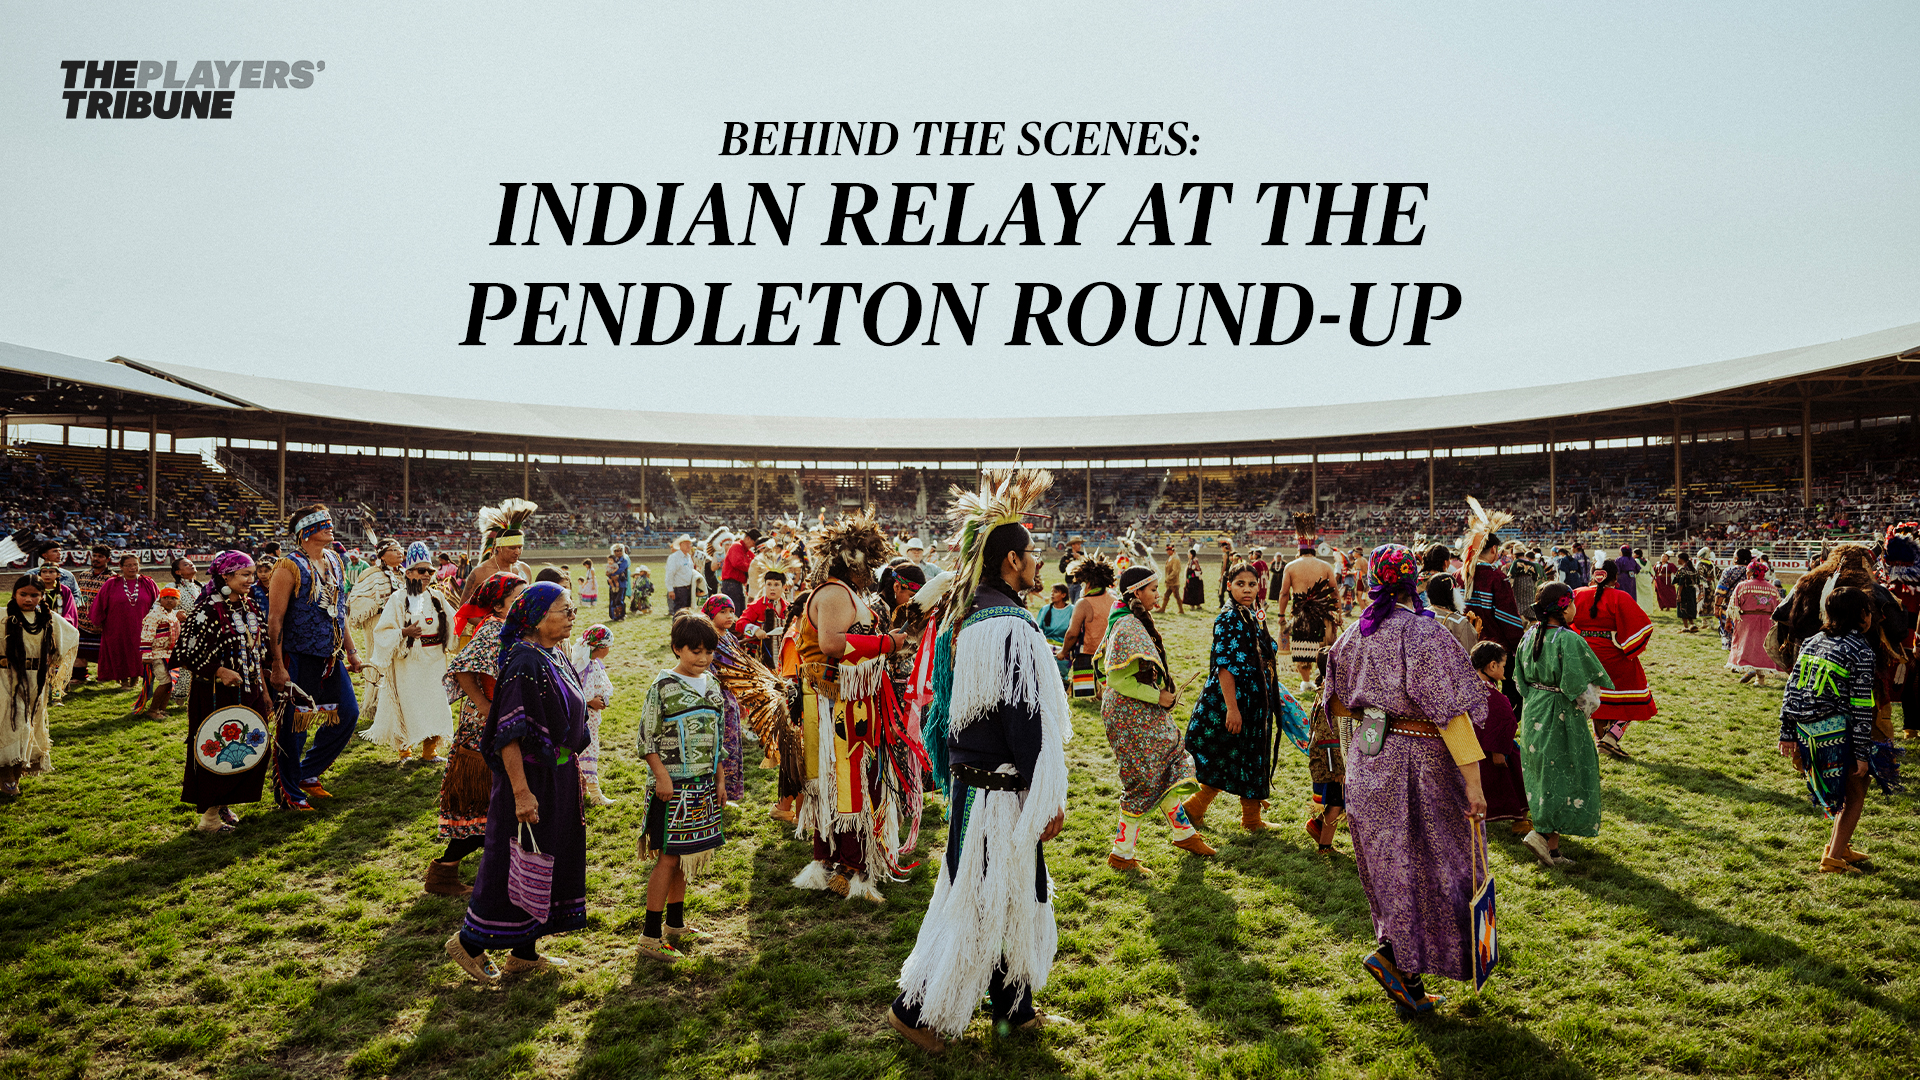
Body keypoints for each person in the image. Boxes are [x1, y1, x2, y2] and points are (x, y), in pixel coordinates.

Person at [891, 467, 1072, 1051]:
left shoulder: (969, 619)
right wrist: (1044, 797)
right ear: (1011, 561)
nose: (1039, 564)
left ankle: (1014, 1008)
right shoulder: (1013, 629)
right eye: (1032, 554)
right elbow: (1027, 725)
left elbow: (949, 717)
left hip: (977, 786)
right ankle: (912, 1012)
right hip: (999, 791)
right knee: (974, 902)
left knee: (1008, 895)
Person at [1324, 544, 1490, 1016]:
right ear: (1413, 581)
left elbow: (1334, 703)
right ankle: (1397, 957)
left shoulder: (1354, 633)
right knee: (1438, 865)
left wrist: (1375, 712)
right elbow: (1452, 716)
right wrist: (1475, 786)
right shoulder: (1425, 634)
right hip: (1421, 763)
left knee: (1392, 868)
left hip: (1369, 760)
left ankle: (1405, 973)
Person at [445, 581, 589, 983]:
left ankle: (524, 953)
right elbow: (508, 733)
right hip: (528, 779)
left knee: (545, 857)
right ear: (538, 617)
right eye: (565, 609)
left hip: (557, 774)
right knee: (516, 861)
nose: (572, 615)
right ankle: (470, 943)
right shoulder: (525, 662)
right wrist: (522, 793)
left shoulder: (552, 652)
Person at [790, 511, 921, 903]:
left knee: (845, 782)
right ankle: (846, 864)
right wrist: (890, 643)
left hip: (848, 699)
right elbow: (832, 644)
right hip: (836, 703)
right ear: (851, 561)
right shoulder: (832, 594)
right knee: (846, 782)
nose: (873, 570)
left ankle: (837, 862)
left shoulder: (843, 593)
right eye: (868, 560)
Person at [1101, 566, 1212, 873]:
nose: (1157, 594)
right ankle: (1121, 853)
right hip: (1129, 712)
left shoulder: (1128, 619)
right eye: (1152, 589)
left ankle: (1183, 833)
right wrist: (1158, 697)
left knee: (1165, 768)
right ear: (1137, 592)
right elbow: (1116, 679)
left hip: (1139, 711)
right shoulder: (1127, 625)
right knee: (1144, 779)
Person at [635, 612, 729, 963]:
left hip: (703, 787)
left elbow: (718, 738)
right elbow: (646, 738)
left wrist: (720, 779)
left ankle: (674, 924)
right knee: (668, 857)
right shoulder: (662, 687)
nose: (702, 659)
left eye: (708, 652)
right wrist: (662, 776)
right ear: (677, 649)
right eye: (694, 651)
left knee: (683, 858)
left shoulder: (713, 685)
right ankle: (649, 935)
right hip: (672, 788)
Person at [1186, 562, 1304, 835]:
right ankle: (1194, 808)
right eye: (1240, 584)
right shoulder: (1228, 617)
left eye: (1252, 584)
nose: (1247, 589)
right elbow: (1224, 666)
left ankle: (1250, 818)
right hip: (1231, 700)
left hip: (1254, 700)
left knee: (1252, 755)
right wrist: (1232, 709)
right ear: (1229, 586)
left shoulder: (1252, 613)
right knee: (1224, 755)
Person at [428, 572, 527, 897]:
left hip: (505, 724)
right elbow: (464, 668)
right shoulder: (492, 629)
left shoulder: (515, 629)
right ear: (499, 604)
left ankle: (457, 872)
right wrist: (486, 707)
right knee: (488, 806)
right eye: (517, 597)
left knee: (496, 807)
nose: (522, 603)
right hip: (484, 731)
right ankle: (445, 872)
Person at [266, 505, 363, 808]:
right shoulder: (288, 567)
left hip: (330, 657)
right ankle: (288, 791)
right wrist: (279, 666)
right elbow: (275, 620)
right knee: (295, 726)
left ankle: (307, 774)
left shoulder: (334, 560)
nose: (331, 527)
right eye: (324, 524)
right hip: (298, 657)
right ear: (306, 531)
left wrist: (351, 650)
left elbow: (340, 611)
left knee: (347, 714)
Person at [1778, 587, 1880, 874]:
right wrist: (1861, 753)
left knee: (1846, 794)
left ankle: (1841, 845)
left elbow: (1792, 688)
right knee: (1856, 791)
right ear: (1861, 615)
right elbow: (1862, 707)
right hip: (1834, 733)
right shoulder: (1861, 650)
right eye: (1868, 611)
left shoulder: (1813, 640)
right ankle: (1833, 859)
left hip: (1806, 731)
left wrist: (1786, 731)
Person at [1512, 584, 1610, 867]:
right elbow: (1583, 691)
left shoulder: (1529, 636)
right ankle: (1541, 836)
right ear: (1564, 607)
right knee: (1565, 773)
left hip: (1534, 712)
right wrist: (1588, 708)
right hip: (1561, 713)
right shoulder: (1569, 640)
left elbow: (1520, 681)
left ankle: (1551, 849)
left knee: (1543, 775)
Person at [173, 552, 272, 832]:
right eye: (245, 575)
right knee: (215, 748)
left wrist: (263, 689)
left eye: (252, 574)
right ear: (225, 577)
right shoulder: (207, 610)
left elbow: (257, 651)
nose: (251, 580)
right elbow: (185, 651)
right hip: (214, 695)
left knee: (251, 748)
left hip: (249, 690)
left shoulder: (249, 606)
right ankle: (210, 819)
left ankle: (223, 802)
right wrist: (219, 670)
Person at [361, 543, 455, 764]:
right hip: (408, 661)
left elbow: (455, 623)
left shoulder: (437, 597)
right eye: (421, 571)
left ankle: (429, 752)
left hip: (435, 661)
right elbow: (382, 631)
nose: (426, 575)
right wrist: (404, 631)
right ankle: (405, 752)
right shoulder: (398, 599)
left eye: (430, 571)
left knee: (435, 704)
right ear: (409, 572)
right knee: (407, 704)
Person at [0, 574, 77, 799]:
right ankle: (7, 778)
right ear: (14, 594)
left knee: (28, 723)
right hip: (5, 677)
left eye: (35, 595)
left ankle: (16, 770)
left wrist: (54, 658)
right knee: (12, 722)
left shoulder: (47, 618)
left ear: (42, 596)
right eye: (23, 594)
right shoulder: (3, 616)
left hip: (35, 679)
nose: (28, 599)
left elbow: (71, 635)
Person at [1570, 559, 1656, 759]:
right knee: (1637, 691)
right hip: (1611, 654)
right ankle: (1610, 738)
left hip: (1581, 653)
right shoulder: (1620, 596)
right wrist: (1626, 646)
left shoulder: (1576, 594)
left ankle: (1602, 740)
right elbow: (1641, 626)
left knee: (1592, 696)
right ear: (1615, 577)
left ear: (1593, 574)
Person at [1468, 641, 1530, 835]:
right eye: (1503, 665)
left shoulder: (1466, 690)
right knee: (1516, 782)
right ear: (1492, 666)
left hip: (1471, 753)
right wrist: (1500, 752)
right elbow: (1504, 722)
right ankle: (1520, 820)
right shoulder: (1494, 697)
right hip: (1496, 752)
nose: (1505, 670)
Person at [1277, 515, 1340, 693]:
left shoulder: (1290, 566)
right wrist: (1339, 613)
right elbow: (1334, 592)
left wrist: (1281, 616)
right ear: (1314, 550)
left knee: (1303, 648)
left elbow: (1283, 593)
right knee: (1324, 646)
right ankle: (1322, 681)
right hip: (1323, 612)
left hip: (1300, 613)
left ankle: (1306, 683)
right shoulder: (1325, 566)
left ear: (1299, 549)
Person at [702, 595, 748, 805]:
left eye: (732, 611)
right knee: (717, 748)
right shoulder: (707, 639)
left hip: (731, 702)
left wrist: (740, 699)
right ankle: (714, 793)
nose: (730, 616)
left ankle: (727, 794)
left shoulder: (731, 637)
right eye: (723, 612)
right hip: (714, 702)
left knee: (732, 748)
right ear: (711, 614)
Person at [94, 553, 158, 687]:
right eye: (128, 565)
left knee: (138, 651)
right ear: (121, 567)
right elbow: (99, 603)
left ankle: (135, 679)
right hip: (116, 626)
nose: (132, 568)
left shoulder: (148, 583)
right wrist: (97, 621)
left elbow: (158, 603)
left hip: (142, 625)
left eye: (135, 564)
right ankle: (123, 680)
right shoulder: (112, 583)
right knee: (119, 651)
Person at [1058, 553, 1115, 700]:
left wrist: (1063, 651)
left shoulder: (1083, 603)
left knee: (1086, 694)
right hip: (1110, 652)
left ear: (1088, 583)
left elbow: (1072, 633)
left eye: (1083, 583)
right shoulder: (1114, 600)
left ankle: (1092, 692)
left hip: (1089, 654)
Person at [460, 499, 536, 603]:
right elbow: (464, 611)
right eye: (512, 548)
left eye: (520, 547)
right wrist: (493, 620)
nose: (518, 552)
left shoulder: (525, 569)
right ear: (498, 547)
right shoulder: (480, 573)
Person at [573, 624, 616, 807]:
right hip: (584, 718)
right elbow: (575, 691)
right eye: (608, 646)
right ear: (599, 647)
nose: (609, 650)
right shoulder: (582, 667)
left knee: (589, 751)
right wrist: (590, 702)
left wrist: (604, 699)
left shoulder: (595, 664)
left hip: (593, 718)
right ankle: (595, 794)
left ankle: (581, 792)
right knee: (586, 752)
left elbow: (603, 685)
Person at [1728, 559, 1785, 685]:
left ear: (1751, 572)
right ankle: (1760, 679)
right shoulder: (1772, 588)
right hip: (1766, 621)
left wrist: (1729, 620)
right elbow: (1778, 607)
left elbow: (1733, 607)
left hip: (1746, 621)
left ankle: (1750, 668)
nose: (1746, 574)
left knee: (1747, 646)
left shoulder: (1742, 586)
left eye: (1748, 571)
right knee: (1762, 648)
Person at [135, 586, 182, 718]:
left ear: (178, 601)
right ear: (160, 599)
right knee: (165, 681)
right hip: (157, 654)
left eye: (173, 598)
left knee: (171, 682)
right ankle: (152, 710)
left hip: (169, 654)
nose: (169, 601)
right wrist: (146, 655)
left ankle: (161, 709)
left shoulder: (172, 614)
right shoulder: (154, 615)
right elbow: (146, 635)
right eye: (165, 598)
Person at [70, 545, 112, 684]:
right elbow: (81, 596)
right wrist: (77, 612)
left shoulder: (112, 578)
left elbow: (111, 602)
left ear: (107, 559)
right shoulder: (83, 575)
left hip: (102, 623)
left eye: (100, 556)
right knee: (80, 651)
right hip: (82, 622)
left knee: (104, 653)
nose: (96, 559)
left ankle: (105, 676)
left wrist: (101, 621)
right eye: (94, 556)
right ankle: (79, 676)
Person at [1713, 547, 1756, 649]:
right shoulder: (1754, 572)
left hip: (1730, 608)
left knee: (1731, 634)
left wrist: (1716, 607)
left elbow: (1721, 592)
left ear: (1736, 558)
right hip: (1750, 608)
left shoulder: (1729, 571)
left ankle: (1734, 658)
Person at [1037, 584, 1073, 690]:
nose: (1052, 594)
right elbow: (1038, 630)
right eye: (1052, 592)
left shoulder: (1072, 610)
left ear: (1063, 595)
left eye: (1055, 592)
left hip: (1065, 645)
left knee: (1060, 674)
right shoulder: (1045, 609)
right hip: (1046, 645)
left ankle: (1063, 682)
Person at [720, 528, 760, 613]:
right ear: (748, 538)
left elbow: (756, 562)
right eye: (753, 543)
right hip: (731, 584)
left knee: (739, 612)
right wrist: (752, 568)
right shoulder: (737, 546)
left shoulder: (747, 551)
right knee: (734, 612)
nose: (753, 546)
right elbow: (737, 563)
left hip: (736, 585)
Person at [665, 535, 698, 615]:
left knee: (686, 612)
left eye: (689, 544)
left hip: (688, 588)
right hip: (679, 589)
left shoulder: (688, 557)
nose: (689, 546)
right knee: (679, 613)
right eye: (686, 544)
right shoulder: (674, 557)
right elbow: (670, 574)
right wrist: (670, 590)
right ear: (681, 545)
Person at [1674, 552, 1705, 632]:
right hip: (1692, 591)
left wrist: (1679, 594)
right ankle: (1693, 624)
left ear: (1681, 559)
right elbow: (1697, 581)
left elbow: (1680, 583)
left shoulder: (1682, 569)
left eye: (1678, 558)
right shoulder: (1693, 569)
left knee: (1683, 608)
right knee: (1690, 607)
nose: (1677, 560)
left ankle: (1686, 627)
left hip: (1684, 590)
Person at [1157, 544, 1185, 615]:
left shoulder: (1175, 559)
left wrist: (1169, 577)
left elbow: (1175, 571)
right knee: (1166, 595)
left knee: (1176, 595)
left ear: (1172, 551)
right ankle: (1163, 608)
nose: (1167, 552)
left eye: (1168, 550)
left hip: (1174, 582)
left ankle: (1181, 610)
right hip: (1170, 582)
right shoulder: (1171, 558)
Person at [606, 544, 630, 622]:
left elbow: (621, 570)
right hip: (612, 583)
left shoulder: (624, 560)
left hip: (621, 583)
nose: (618, 552)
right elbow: (608, 568)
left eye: (620, 550)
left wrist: (611, 574)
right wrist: (609, 574)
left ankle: (621, 615)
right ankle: (614, 616)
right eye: (616, 551)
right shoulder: (612, 560)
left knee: (619, 600)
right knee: (613, 599)